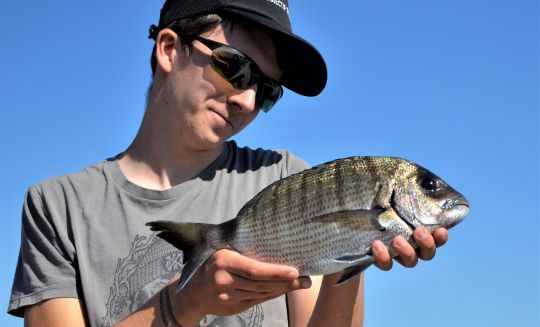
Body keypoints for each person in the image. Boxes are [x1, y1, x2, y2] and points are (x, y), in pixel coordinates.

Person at [8, 0, 448, 326]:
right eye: (235, 68)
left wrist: (357, 257)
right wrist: (183, 304)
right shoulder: (58, 206)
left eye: (268, 90)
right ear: (167, 48)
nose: (248, 99)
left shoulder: (286, 176)